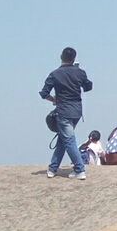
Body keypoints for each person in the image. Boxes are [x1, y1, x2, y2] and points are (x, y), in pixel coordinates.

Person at [40, 46, 93, 180]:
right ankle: (52, 168)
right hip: (77, 111)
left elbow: (44, 93)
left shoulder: (55, 74)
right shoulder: (80, 72)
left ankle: (80, 170)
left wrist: (54, 99)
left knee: (68, 140)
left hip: (63, 111)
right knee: (64, 139)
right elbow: (88, 87)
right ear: (74, 59)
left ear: (61, 57)